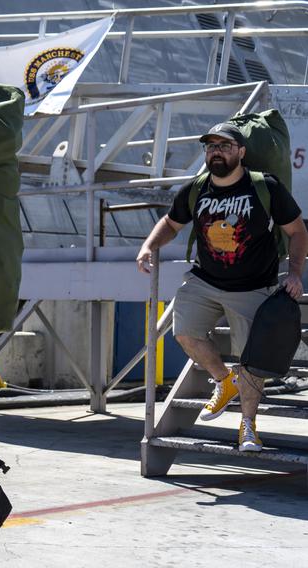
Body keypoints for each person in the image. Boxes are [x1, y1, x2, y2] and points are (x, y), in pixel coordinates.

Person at [137, 122, 307, 452]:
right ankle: (223, 380)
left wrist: (295, 273)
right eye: (211, 146)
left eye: (225, 146)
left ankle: (248, 427)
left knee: (252, 362)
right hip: (205, 281)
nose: (216, 151)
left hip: (253, 288)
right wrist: (148, 246)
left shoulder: (264, 187)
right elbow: (171, 224)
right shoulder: (196, 189)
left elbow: (298, 232)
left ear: (241, 152)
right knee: (184, 333)